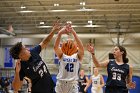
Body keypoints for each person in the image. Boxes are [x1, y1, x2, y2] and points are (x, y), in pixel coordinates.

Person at [9, 21, 61, 93]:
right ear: (21, 55)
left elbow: (45, 42)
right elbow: (16, 88)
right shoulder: (21, 66)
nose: (27, 49)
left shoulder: (33, 52)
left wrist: (53, 30)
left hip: (52, 88)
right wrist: (17, 73)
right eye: (25, 49)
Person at [54, 24, 84, 93]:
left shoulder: (78, 56)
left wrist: (74, 33)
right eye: (68, 42)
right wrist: (59, 33)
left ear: (75, 46)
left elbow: (81, 47)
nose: (69, 43)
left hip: (72, 84)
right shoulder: (62, 55)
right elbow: (55, 47)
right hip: (61, 83)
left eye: (72, 42)